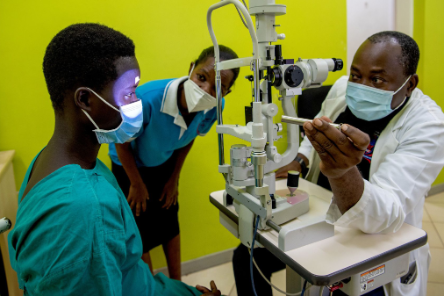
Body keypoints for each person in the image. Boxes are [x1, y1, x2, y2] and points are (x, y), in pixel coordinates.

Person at [8, 23, 220, 295]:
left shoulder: (50, 161)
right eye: (129, 93)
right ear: (85, 99)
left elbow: (127, 271)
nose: (137, 103)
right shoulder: (84, 210)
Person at [233, 31, 444, 296]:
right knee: (246, 257)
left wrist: (343, 172)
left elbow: (385, 213)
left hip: (374, 242)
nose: (361, 86)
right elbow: (317, 130)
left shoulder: (428, 125)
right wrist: (300, 158)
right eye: (356, 75)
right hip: (319, 209)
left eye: (376, 79)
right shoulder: (344, 89)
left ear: (410, 84)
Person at [109, 45, 239, 279]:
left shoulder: (214, 107)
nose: (205, 89)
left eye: (218, 87)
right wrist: (136, 184)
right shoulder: (148, 99)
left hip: (164, 162)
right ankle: (152, 289)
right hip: (129, 165)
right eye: (201, 77)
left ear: (226, 93)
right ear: (191, 69)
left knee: (169, 219)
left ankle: (176, 283)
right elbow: (122, 144)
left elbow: (190, 136)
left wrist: (174, 179)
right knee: (141, 230)